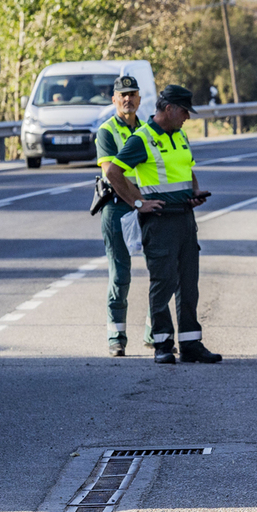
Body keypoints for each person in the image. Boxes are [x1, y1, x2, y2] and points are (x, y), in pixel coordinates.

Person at [105, 85, 221, 365]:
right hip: (159, 222)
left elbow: (187, 168)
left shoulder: (179, 135)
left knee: (188, 284)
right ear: (168, 109)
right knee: (163, 283)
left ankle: (191, 344)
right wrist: (138, 203)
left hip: (184, 218)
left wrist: (193, 193)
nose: (187, 117)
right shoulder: (142, 138)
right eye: (184, 111)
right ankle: (162, 344)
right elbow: (113, 172)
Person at [95, 75, 152, 357]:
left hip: (148, 205)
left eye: (133, 94)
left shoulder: (149, 130)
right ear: (114, 100)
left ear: (140, 99)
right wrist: (137, 200)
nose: (128, 99)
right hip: (118, 206)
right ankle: (116, 337)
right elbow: (111, 173)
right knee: (120, 275)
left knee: (160, 272)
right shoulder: (107, 132)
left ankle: (155, 333)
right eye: (123, 95)